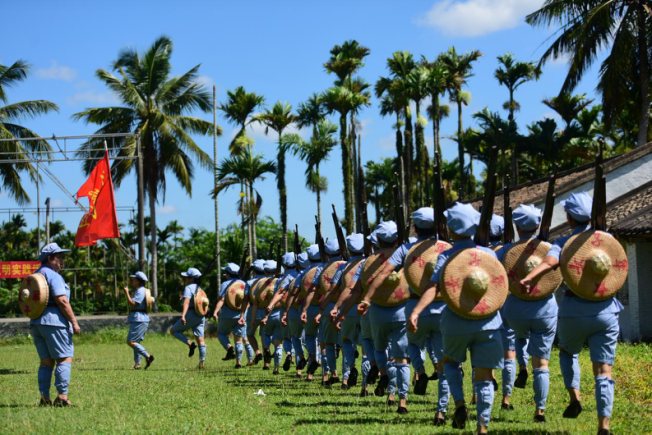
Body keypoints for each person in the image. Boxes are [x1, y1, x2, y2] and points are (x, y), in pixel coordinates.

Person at [521, 192, 622, 435]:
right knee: (603, 370)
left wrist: (530, 276)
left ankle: (574, 397)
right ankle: (603, 425)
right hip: (606, 310)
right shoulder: (607, 238)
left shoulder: (564, 242)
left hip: (574, 311)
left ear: (568, 217)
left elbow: (549, 263)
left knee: (568, 352)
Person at [409, 203, 503, 433]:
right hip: (488, 321)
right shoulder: (489, 254)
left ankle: (459, 403)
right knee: (483, 375)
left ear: (451, 229)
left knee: (450, 363)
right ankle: (482, 426)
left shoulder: (446, 257)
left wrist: (416, 311)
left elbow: (433, 287)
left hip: (455, 321)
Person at [359, 208, 437, 415]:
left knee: (379, 348)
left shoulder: (393, 254)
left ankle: (383, 373)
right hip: (403, 311)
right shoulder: (415, 252)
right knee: (401, 359)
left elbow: (379, 274)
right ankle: (402, 400)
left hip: (378, 311)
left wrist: (367, 298)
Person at [496, 204, 556, 422]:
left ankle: (506, 398)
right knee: (541, 365)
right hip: (544, 310)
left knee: (510, 351)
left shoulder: (505, 250)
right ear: (538, 224)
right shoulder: (551, 248)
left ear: (516, 226)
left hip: (514, 310)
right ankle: (540, 410)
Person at [31, 243, 80, 407]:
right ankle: (62, 397)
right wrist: (74, 321)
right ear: (50, 258)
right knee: (64, 358)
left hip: (37, 322)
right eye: (59, 256)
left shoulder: (37, 274)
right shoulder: (53, 276)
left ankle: (44, 398)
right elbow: (62, 300)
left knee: (46, 362)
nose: (62, 260)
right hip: (55, 323)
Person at [315, 233, 365, 390]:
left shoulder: (343, 268)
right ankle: (365, 385)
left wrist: (325, 308)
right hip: (366, 309)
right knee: (366, 346)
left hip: (348, 310)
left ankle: (349, 372)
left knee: (346, 343)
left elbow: (332, 289)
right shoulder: (370, 264)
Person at [301, 240, 342, 386]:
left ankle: (329, 374)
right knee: (347, 343)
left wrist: (305, 309)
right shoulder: (348, 265)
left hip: (328, 308)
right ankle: (347, 377)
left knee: (326, 344)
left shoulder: (322, 269)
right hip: (347, 307)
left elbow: (312, 289)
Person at [262, 254, 299, 375]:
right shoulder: (302, 275)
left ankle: (284, 356)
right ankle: (300, 370)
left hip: (283, 311)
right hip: (301, 309)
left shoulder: (281, 279)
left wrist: (270, 306)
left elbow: (279, 292)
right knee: (298, 337)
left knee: (282, 339)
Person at [213, 263, 252, 368]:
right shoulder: (244, 284)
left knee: (221, 333)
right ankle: (238, 362)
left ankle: (229, 347)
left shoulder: (225, 284)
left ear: (227, 274)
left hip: (227, 315)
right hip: (241, 316)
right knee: (239, 339)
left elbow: (221, 299)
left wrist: (215, 311)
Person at [281, 251, 312, 378]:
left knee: (294, 337)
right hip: (311, 309)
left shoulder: (288, 277)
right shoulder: (317, 272)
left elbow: (281, 293)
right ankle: (311, 370)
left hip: (294, 310)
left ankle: (299, 358)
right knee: (312, 338)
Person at [170, 267, 207, 369]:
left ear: (191, 278)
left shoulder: (188, 288)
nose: (186, 279)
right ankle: (201, 363)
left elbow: (187, 302)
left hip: (190, 314)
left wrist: (183, 315)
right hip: (200, 315)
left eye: (187, 277)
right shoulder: (200, 289)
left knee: (173, 331)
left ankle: (190, 344)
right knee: (201, 340)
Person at [239, 259, 268, 365]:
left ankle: (257, 352)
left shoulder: (250, 282)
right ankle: (266, 362)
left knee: (250, 334)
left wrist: (242, 314)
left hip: (253, 310)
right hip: (266, 311)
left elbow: (245, 299)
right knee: (265, 335)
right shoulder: (269, 281)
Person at [123, 271, 154, 370]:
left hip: (139, 319)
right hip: (139, 318)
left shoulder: (141, 291)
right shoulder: (139, 290)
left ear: (139, 281)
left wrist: (126, 293)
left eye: (134, 279)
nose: (133, 280)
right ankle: (137, 364)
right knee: (136, 342)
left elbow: (133, 304)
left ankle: (148, 356)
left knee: (130, 341)